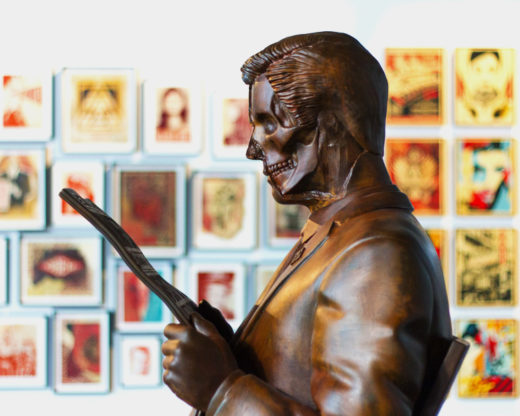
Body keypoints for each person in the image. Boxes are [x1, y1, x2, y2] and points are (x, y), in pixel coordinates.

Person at [162, 32, 452, 415]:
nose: (252, 148)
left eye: (270, 124)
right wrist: (237, 354)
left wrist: (222, 390)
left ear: (334, 123)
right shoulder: (343, 233)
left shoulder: (375, 253)